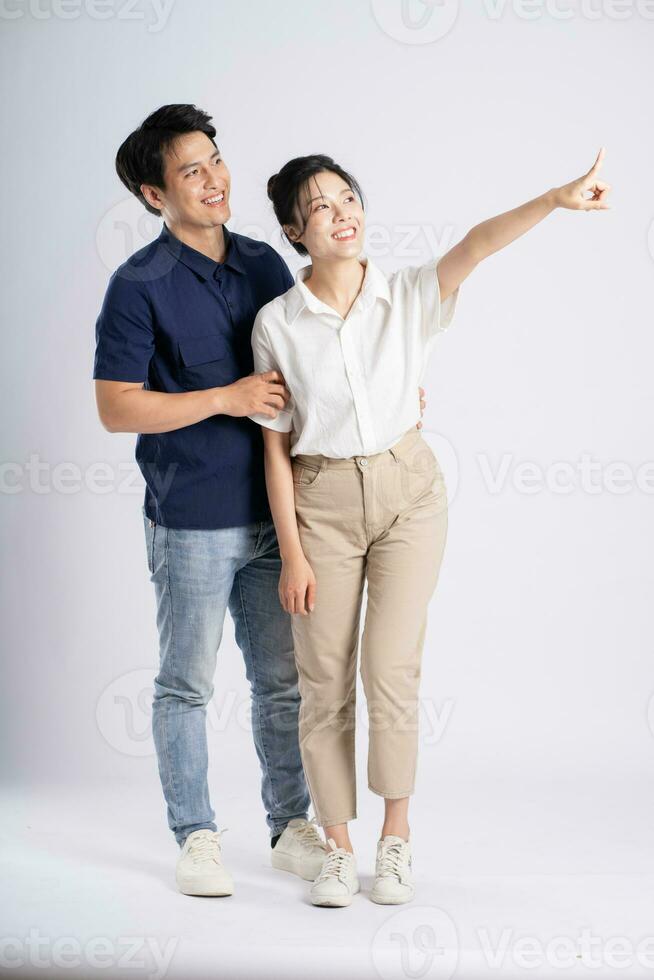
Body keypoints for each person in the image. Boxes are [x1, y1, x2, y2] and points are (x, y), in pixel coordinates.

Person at [247, 150, 611, 907]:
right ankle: (338, 849)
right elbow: (275, 447)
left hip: (410, 491)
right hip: (323, 503)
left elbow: (476, 245)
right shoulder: (277, 324)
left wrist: (553, 196)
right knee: (324, 679)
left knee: (390, 668)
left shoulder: (407, 294)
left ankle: (396, 839)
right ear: (295, 230)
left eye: (349, 197)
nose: (343, 213)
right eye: (321, 207)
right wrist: (291, 551)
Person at [92, 105, 428, 897]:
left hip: (291, 517)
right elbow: (116, 407)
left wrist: (388, 394)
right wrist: (224, 397)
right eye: (190, 171)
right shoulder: (135, 286)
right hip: (193, 518)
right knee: (188, 683)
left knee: (286, 683)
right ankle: (197, 834)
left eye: (215, 160)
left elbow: (325, 352)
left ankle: (290, 828)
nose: (214, 180)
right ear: (153, 194)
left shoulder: (263, 265)